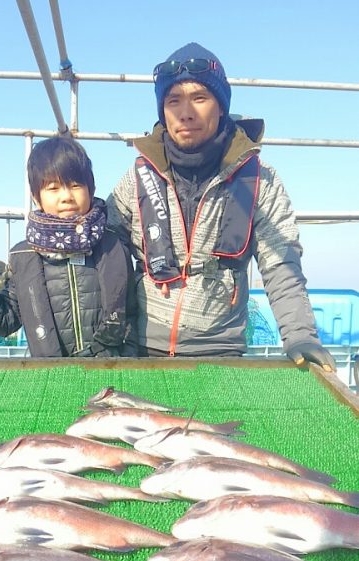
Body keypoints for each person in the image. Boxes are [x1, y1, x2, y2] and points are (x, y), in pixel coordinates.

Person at [105, 42, 335, 371]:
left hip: (221, 351)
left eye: (200, 98)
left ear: (221, 106)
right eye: (173, 100)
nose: (186, 112)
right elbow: (102, 250)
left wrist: (300, 335)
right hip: (140, 348)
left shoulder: (260, 179)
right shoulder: (136, 176)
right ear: (162, 111)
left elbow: (280, 263)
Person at [0, 136, 138, 358]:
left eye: (76, 185)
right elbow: (4, 322)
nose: (66, 196)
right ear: (36, 197)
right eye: (53, 188)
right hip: (52, 376)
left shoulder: (113, 245)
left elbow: (133, 315)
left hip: (111, 371)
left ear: (91, 188)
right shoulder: (23, 256)